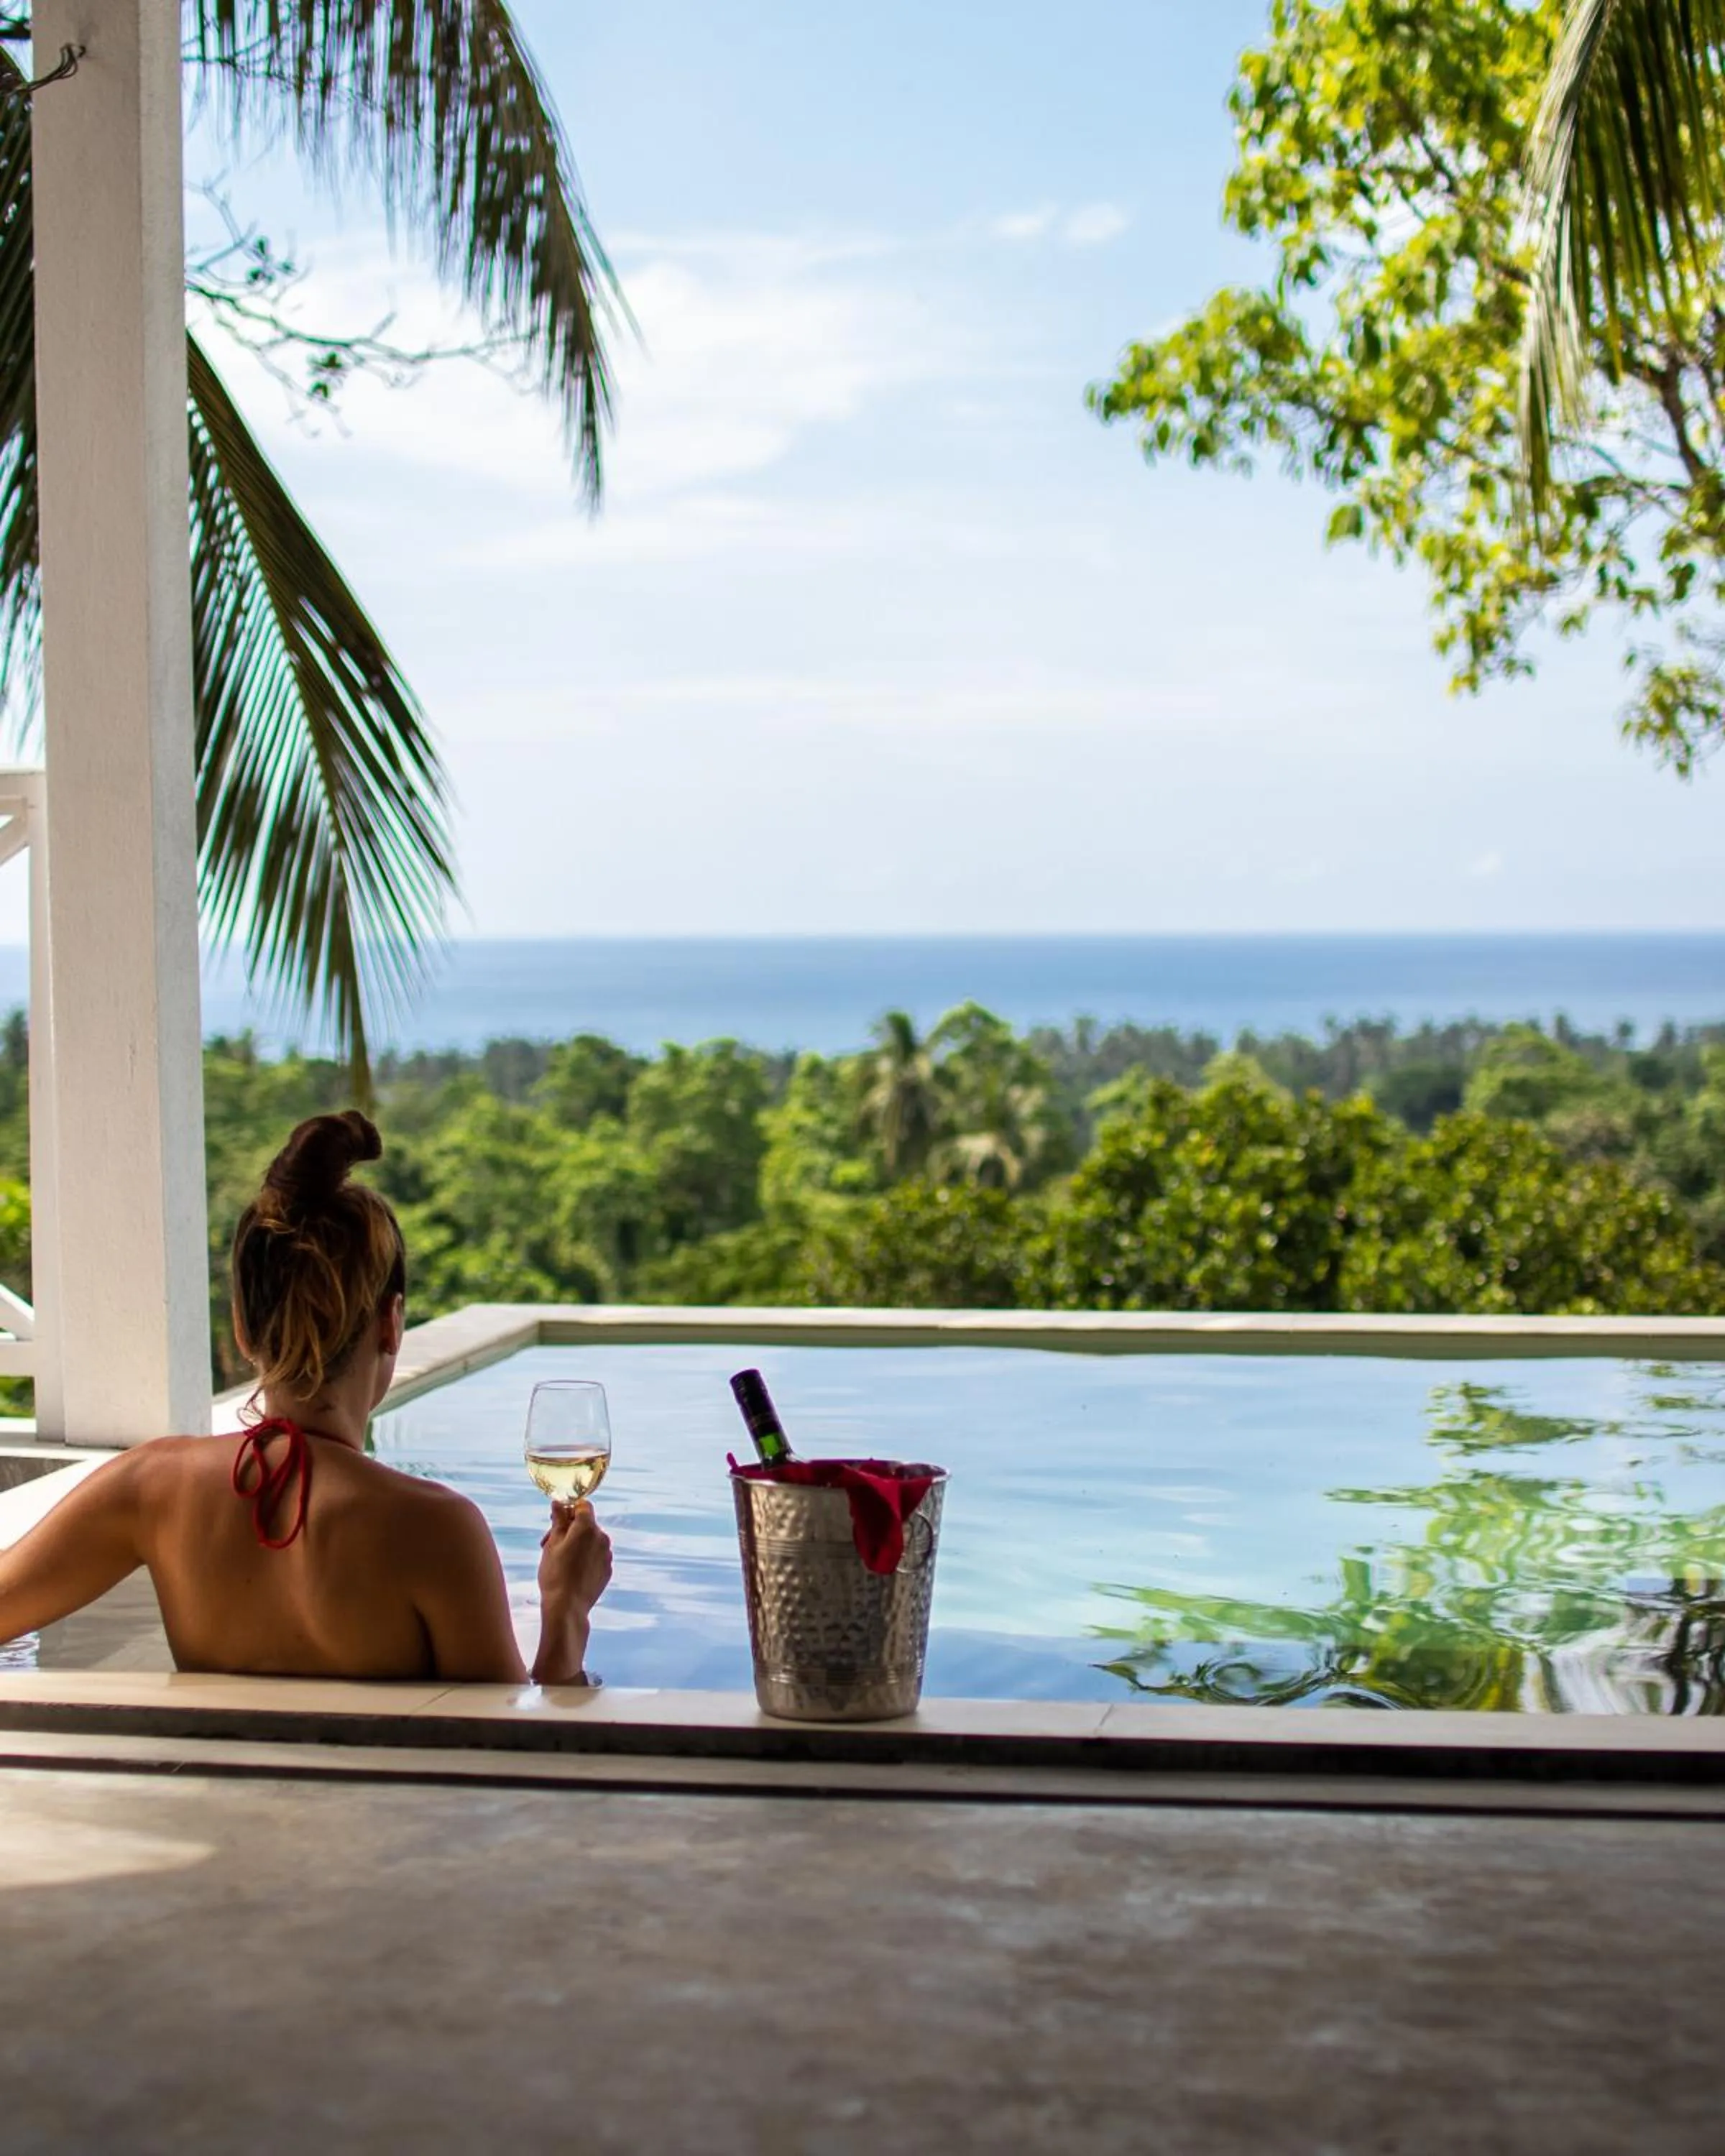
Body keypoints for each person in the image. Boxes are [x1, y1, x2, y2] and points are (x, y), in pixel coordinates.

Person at [0, 1112, 611, 1682]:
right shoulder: (436, 1529)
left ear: (243, 1329)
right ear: (391, 1323)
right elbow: (513, 1743)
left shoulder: (150, 1486)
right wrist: (566, 1610)